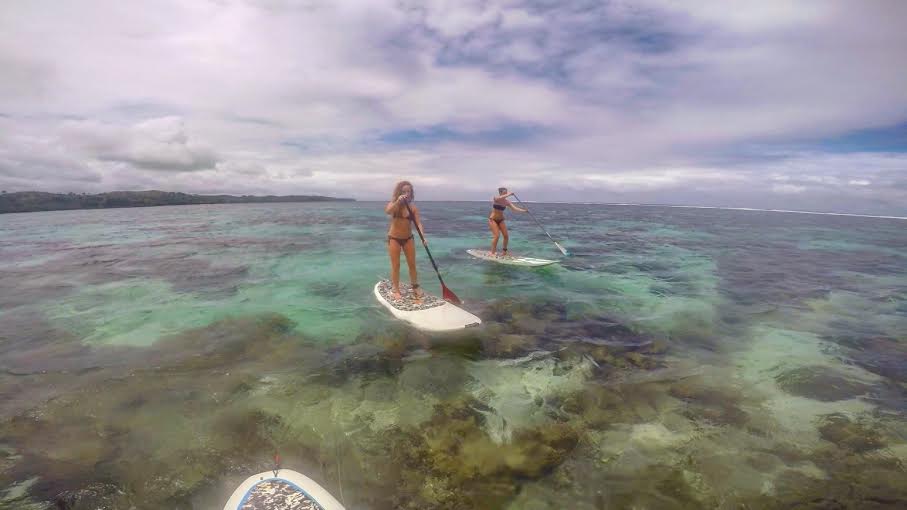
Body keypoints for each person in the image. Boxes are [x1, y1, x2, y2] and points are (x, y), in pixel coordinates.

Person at [385, 181, 426, 302]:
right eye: (404, 192)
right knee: (396, 265)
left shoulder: (413, 208)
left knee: (412, 264)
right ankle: (396, 289)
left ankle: (415, 286)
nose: (406, 194)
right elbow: (387, 211)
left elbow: (418, 223)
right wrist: (397, 201)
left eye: (409, 192)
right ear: (399, 192)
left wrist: (423, 237)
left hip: (408, 238)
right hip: (394, 238)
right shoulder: (394, 204)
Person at [488, 187, 527, 256]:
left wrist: (524, 211)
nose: (506, 193)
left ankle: (504, 252)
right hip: (493, 220)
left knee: (506, 236)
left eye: (506, 192)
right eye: (504, 192)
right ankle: (492, 253)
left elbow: (514, 209)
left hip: (501, 220)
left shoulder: (507, 202)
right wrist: (509, 194)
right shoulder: (496, 198)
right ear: (500, 193)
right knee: (497, 236)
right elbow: (499, 198)